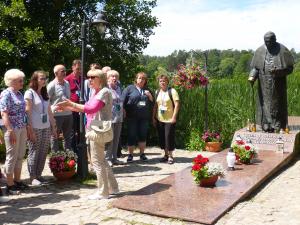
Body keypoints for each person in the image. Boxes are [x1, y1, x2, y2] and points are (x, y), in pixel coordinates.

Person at [57, 69, 119, 200]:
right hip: (95, 129)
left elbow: (91, 109)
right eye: (88, 77)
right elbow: (85, 108)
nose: (89, 79)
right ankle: (113, 187)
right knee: (101, 160)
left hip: (98, 130)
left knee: (97, 161)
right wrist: (67, 107)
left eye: (92, 77)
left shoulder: (104, 92)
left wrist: (70, 104)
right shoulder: (95, 92)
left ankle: (103, 192)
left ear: (100, 79)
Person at [248, 31, 294, 132]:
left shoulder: (282, 50)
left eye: (269, 41)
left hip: (278, 82)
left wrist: (279, 71)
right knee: (264, 104)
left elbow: (290, 68)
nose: (267, 43)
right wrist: (252, 76)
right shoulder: (260, 50)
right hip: (263, 81)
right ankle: (266, 124)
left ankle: (278, 125)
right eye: (266, 41)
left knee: (276, 103)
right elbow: (256, 67)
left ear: (274, 40)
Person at [24, 71, 57, 185]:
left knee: (43, 151)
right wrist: (30, 129)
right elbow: (27, 112)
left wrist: (53, 126)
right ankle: (32, 177)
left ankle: (39, 174)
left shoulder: (44, 92)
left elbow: (49, 111)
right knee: (34, 151)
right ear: (35, 80)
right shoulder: (29, 93)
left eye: (45, 78)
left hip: (46, 126)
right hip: (35, 127)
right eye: (41, 78)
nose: (44, 80)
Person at [0, 69, 28, 195]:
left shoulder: (19, 94)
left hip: (21, 127)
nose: (22, 82)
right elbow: (4, 113)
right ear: (12, 82)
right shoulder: (6, 94)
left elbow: (23, 112)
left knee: (20, 155)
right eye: (20, 80)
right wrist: (10, 130)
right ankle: (9, 184)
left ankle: (17, 180)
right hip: (12, 128)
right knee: (11, 156)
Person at [122, 72, 153, 163]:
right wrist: (123, 112)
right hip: (132, 117)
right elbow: (122, 101)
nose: (141, 80)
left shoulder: (147, 89)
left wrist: (150, 96)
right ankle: (130, 155)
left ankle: (142, 154)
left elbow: (153, 103)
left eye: (143, 79)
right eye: (139, 78)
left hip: (144, 117)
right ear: (136, 79)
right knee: (131, 135)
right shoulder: (129, 88)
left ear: (145, 81)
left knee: (143, 136)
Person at [152, 75, 180, 164]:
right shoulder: (157, 92)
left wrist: (174, 117)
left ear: (167, 82)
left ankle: (171, 156)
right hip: (160, 119)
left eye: (164, 81)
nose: (162, 82)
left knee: (169, 137)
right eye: (160, 81)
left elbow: (177, 105)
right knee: (162, 138)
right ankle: (165, 155)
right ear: (158, 82)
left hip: (169, 119)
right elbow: (155, 106)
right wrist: (153, 117)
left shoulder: (172, 91)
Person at [47, 65, 73, 151]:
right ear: (56, 73)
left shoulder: (67, 83)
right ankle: (56, 159)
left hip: (68, 114)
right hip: (56, 116)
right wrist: (53, 109)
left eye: (65, 70)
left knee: (68, 137)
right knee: (55, 137)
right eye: (62, 71)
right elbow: (46, 101)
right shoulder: (51, 85)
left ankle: (68, 160)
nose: (65, 72)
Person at [105, 70, 124, 166]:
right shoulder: (105, 89)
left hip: (119, 117)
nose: (114, 78)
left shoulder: (119, 88)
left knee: (116, 139)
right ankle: (107, 158)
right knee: (109, 139)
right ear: (107, 78)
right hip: (109, 117)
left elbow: (121, 102)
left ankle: (114, 158)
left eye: (116, 76)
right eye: (112, 76)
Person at [65, 59, 82, 150]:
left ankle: (80, 150)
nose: (79, 71)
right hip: (71, 109)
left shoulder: (83, 79)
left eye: (80, 69)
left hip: (81, 108)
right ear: (72, 68)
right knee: (72, 131)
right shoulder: (67, 79)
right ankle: (72, 151)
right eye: (77, 69)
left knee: (80, 130)